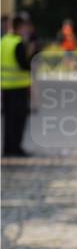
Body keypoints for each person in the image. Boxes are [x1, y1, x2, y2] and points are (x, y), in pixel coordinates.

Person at [1, 14, 35, 157]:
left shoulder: (4, 41)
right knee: (18, 120)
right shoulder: (17, 43)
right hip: (18, 87)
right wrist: (32, 54)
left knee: (8, 120)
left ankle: (8, 148)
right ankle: (16, 148)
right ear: (20, 27)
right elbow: (24, 65)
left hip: (5, 86)